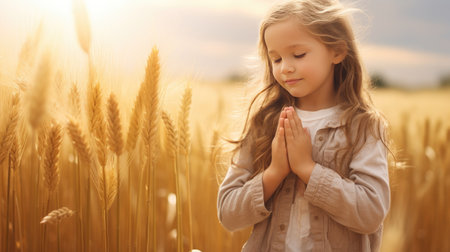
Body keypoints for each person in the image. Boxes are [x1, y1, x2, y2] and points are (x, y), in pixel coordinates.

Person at [217, 0, 391, 251]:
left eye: (298, 55)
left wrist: (308, 169)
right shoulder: (264, 123)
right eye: (275, 59)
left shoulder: (364, 127)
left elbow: (371, 213)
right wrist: (275, 172)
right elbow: (228, 213)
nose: (285, 67)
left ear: (337, 52)